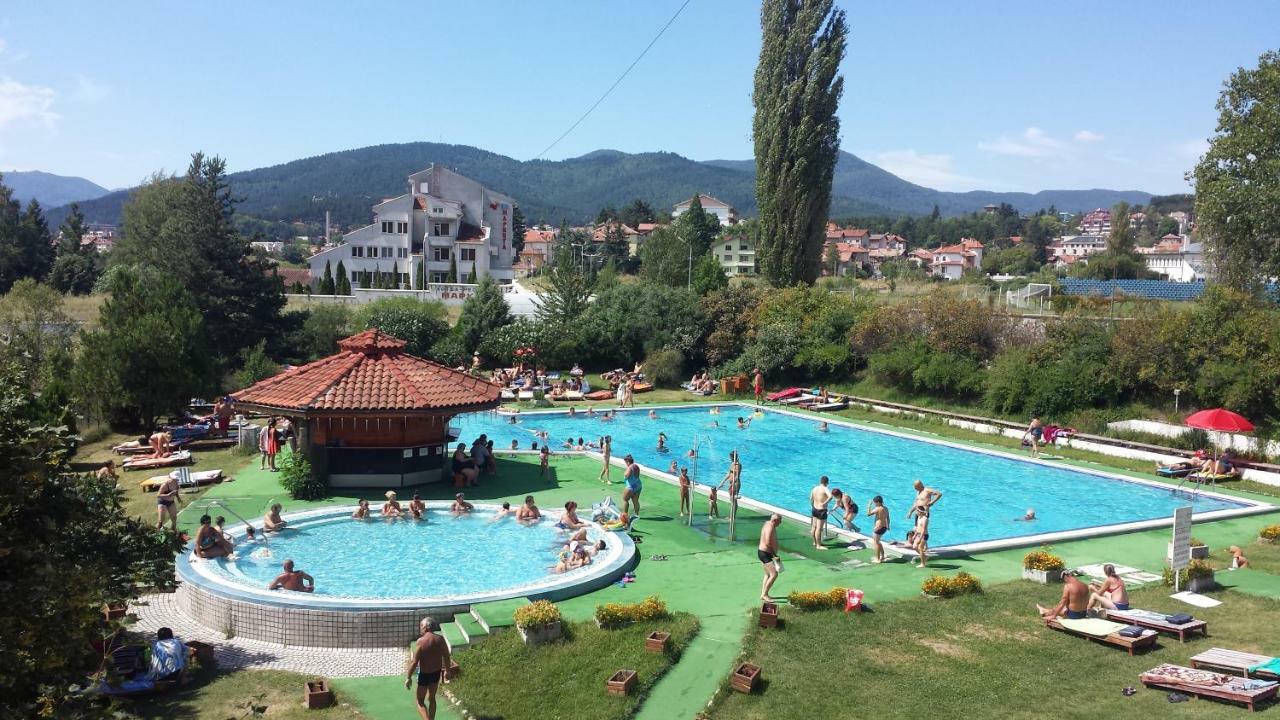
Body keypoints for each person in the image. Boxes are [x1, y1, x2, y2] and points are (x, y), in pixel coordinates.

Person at [406, 617, 451, 719]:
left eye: (421, 626)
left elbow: (414, 662)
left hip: (424, 675)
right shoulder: (440, 639)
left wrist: (408, 677)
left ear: (425, 627)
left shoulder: (421, 641)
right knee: (432, 698)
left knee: (420, 701)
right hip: (435, 674)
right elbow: (447, 656)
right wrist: (447, 671)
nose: (420, 629)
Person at [758, 514, 782, 601]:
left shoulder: (768, 523)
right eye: (779, 521)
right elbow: (768, 542)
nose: (780, 523)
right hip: (765, 553)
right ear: (775, 520)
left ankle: (763, 594)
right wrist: (774, 555)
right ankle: (765, 594)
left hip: (763, 552)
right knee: (774, 574)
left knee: (767, 574)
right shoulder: (770, 527)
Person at [809, 476, 833, 550]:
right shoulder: (825, 488)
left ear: (820, 481)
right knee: (819, 528)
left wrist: (812, 505)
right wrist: (824, 503)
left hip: (814, 509)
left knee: (814, 527)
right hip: (821, 510)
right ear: (827, 482)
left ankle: (815, 542)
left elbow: (811, 498)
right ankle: (818, 545)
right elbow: (831, 496)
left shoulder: (815, 488)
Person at [866, 496, 889, 563]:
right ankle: (883, 556)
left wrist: (868, 506)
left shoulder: (878, 508)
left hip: (878, 528)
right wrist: (888, 525)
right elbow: (888, 518)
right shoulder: (886, 508)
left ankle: (878, 559)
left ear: (878, 502)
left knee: (876, 543)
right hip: (884, 527)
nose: (874, 504)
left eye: (875, 503)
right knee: (878, 542)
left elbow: (868, 514)